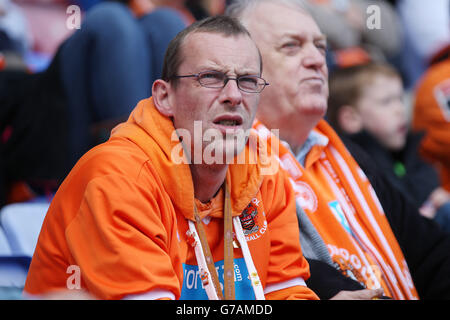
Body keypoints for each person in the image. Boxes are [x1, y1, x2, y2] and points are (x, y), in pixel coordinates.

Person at [23, 15, 319, 300]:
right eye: (211, 77)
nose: (234, 94)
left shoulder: (265, 175)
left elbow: (286, 292)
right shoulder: (118, 177)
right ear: (165, 97)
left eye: (247, 81)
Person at [226, 0, 450, 299]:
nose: (317, 60)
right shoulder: (224, 159)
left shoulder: (346, 153)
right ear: (240, 71)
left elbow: (429, 252)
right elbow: (280, 271)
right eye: (292, 46)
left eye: (320, 47)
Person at [0, 2, 187, 207]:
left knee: (165, 23)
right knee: (111, 23)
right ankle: (132, 181)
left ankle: (173, 177)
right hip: (44, 119)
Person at [326, 62, 450, 233]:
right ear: (351, 119)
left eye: (400, 99)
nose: (399, 109)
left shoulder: (412, 151)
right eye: (386, 102)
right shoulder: (358, 167)